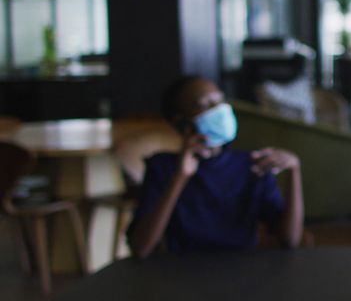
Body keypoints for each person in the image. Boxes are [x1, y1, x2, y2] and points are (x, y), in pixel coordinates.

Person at [127, 76, 304, 259]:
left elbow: (290, 239)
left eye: (220, 101)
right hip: (182, 275)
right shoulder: (163, 167)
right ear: (181, 121)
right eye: (206, 105)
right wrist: (180, 178)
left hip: (241, 272)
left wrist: (294, 170)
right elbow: (141, 248)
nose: (219, 110)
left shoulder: (251, 165)